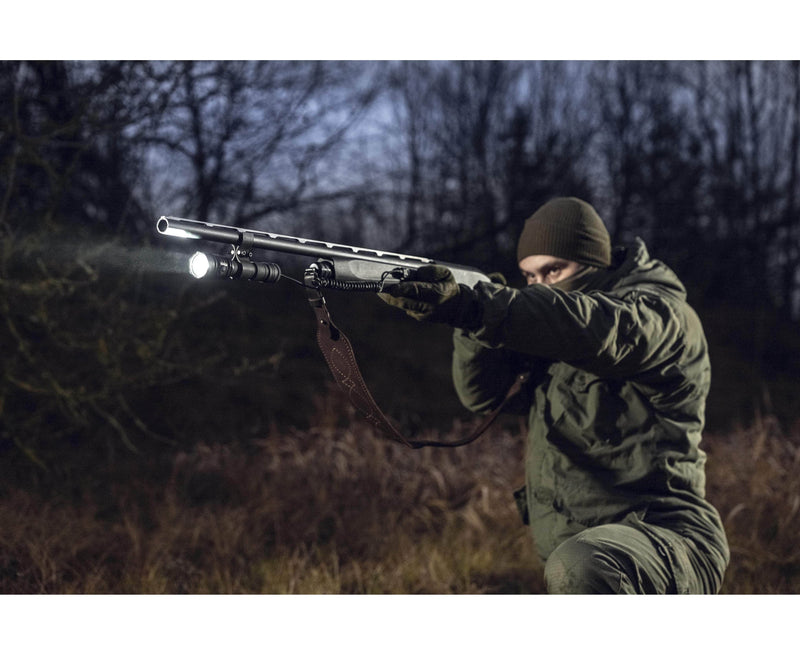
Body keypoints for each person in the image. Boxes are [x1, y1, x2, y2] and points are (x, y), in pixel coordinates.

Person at [380, 196, 730, 594]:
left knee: (579, 566)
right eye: (529, 277)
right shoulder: (553, 331)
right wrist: (471, 324)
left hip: (664, 540)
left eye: (553, 270)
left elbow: (600, 330)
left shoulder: (661, 314)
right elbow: (481, 396)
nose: (541, 285)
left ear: (596, 262)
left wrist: (479, 306)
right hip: (582, 558)